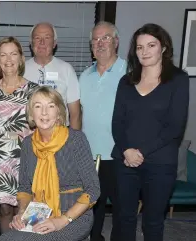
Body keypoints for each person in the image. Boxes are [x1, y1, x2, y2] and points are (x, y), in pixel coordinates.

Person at [111, 23, 189, 241]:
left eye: (150, 45)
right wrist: (127, 150)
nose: (144, 51)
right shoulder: (126, 82)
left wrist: (140, 151)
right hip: (125, 161)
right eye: (139, 47)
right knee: (124, 218)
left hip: (160, 163)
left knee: (153, 222)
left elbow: (175, 126)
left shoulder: (178, 80)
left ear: (163, 47)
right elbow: (117, 122)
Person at [0, 86, 100, 241]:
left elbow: (93, 189)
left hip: (74, 215)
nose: (44, 112)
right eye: (38, 106)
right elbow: (25, 188)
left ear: (59, 112)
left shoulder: (76, 140)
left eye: (50, 106)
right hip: (38, 212)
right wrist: (21, 213)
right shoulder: (28, 144)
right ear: (31, 113)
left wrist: (63, 219)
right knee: (6, 238)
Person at [0, 36, 39, 235]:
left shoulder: (34, 91)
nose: (8, 59)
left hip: (27, 159)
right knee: (4, 209)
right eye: (3, 54)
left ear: (21, 58)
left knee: (23, 209)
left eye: (13, 53)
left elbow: (43, 127)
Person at [79, 21, 127, 241]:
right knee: (91, 208)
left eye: (105, 38)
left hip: (120, 154)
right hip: (89, 156)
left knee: (121, 209)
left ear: (116, 42)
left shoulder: (130, 73)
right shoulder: (84, 76)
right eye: (95, 40)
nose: (99, 43)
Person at [23, 22, 81, 130]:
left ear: (54, 43)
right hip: (29, 137)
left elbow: (75, 114)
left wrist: (74, 143)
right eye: (37, 38)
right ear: (31, 43)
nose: (42, 42)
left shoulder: (67, 70)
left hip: (60, 136)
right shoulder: (21, 70)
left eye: (47, 37)